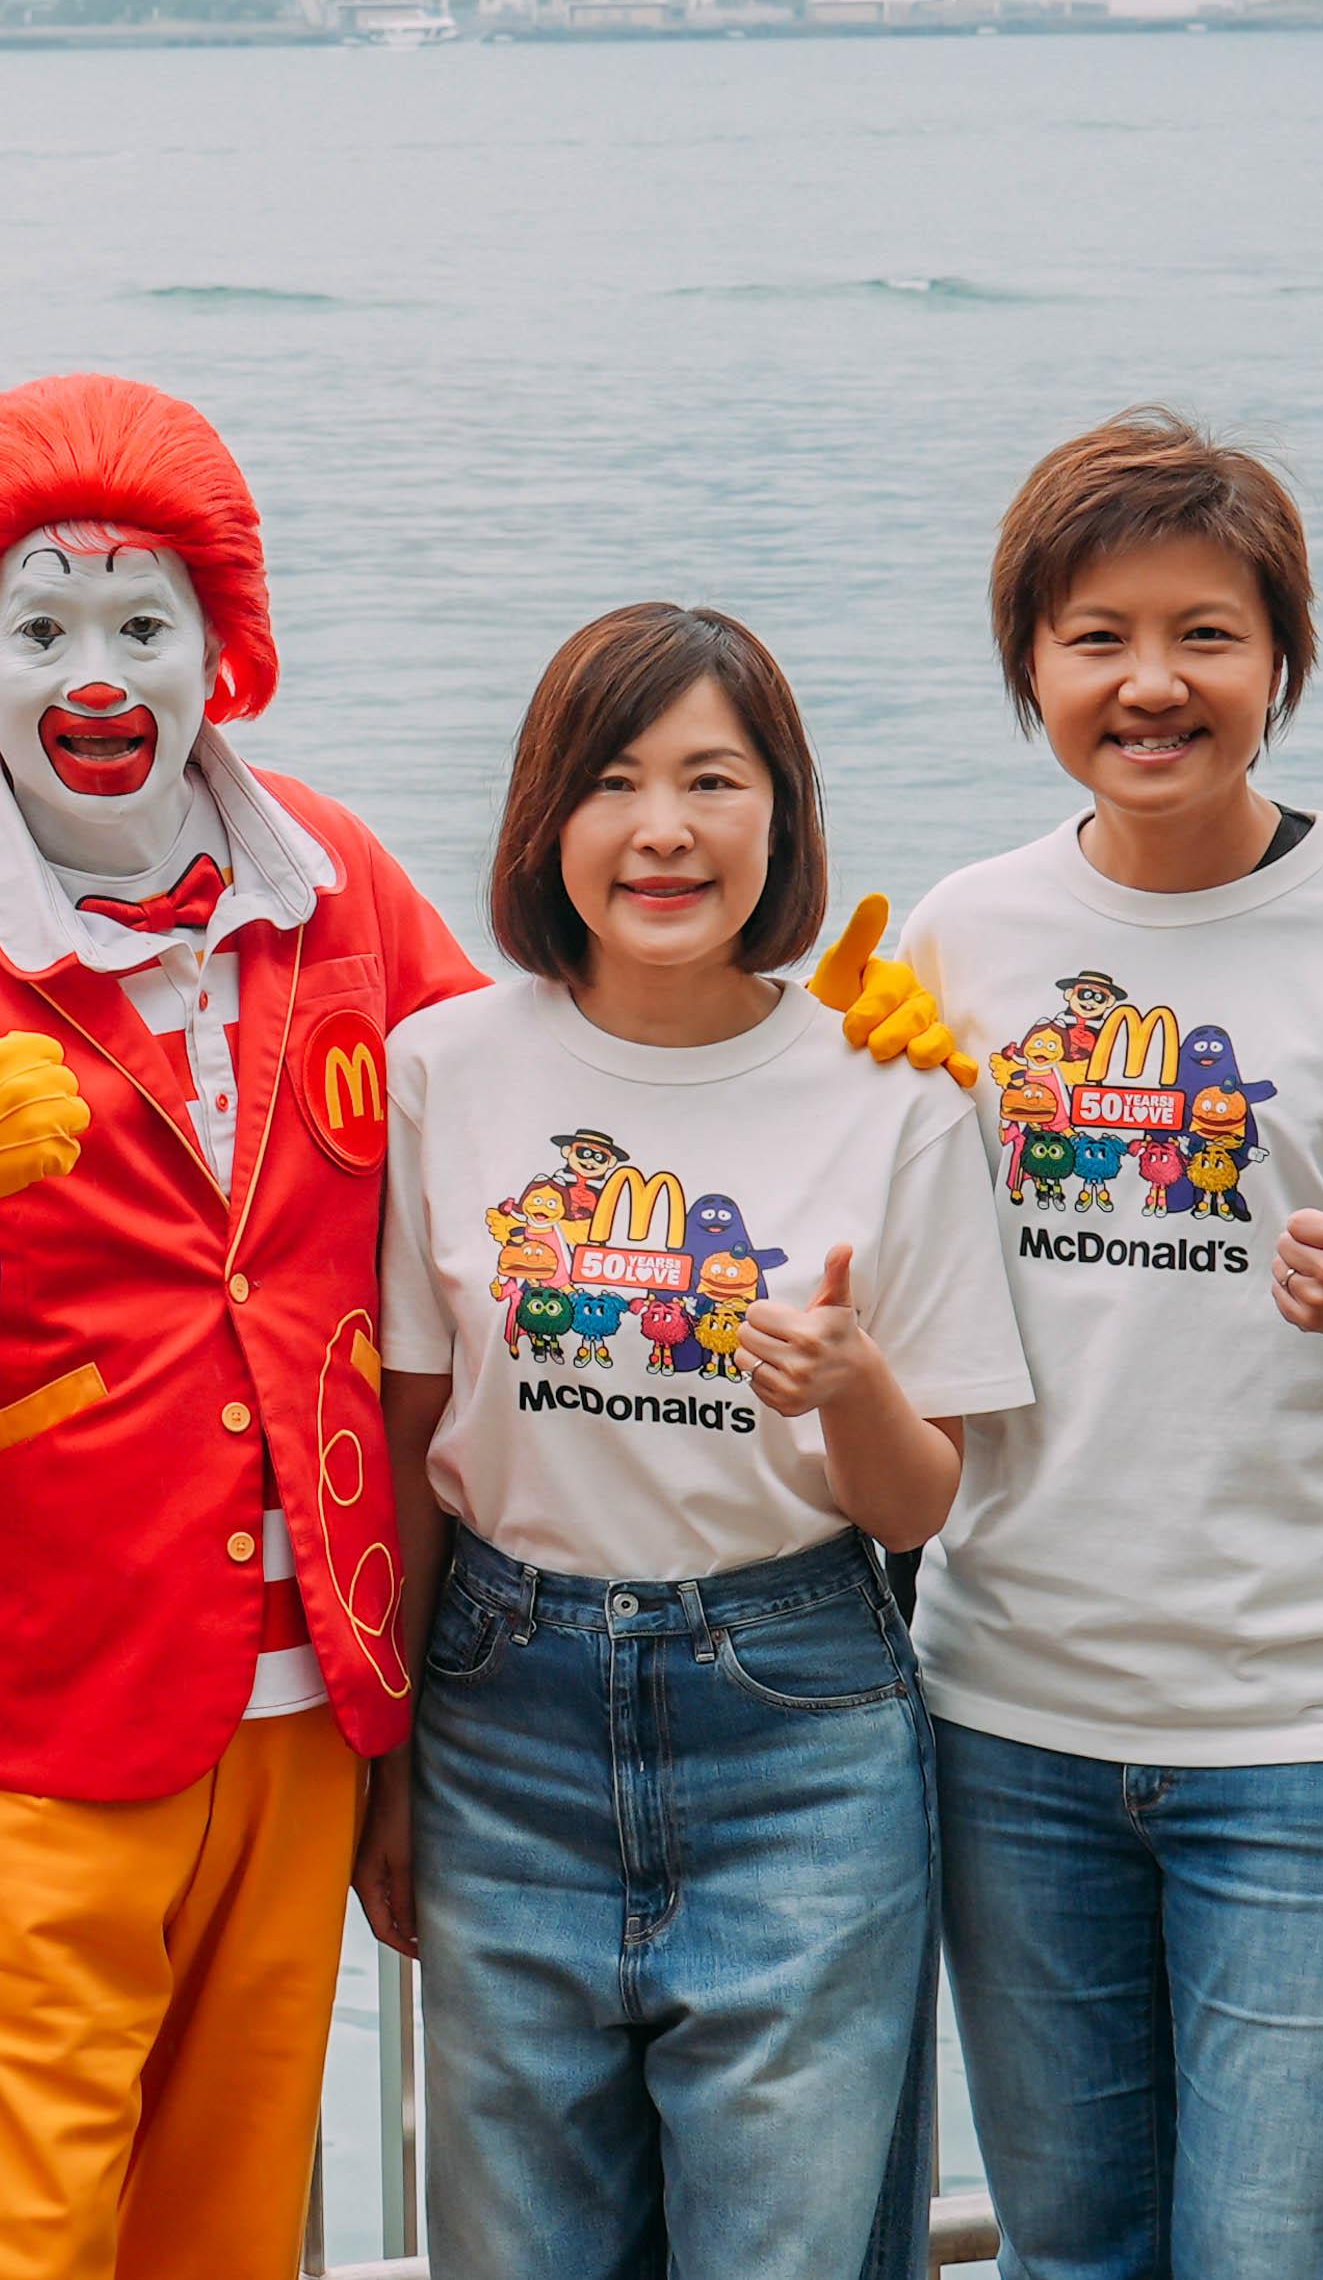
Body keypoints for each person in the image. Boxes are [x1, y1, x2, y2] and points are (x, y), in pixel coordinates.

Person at [0, 375, 487, 2280]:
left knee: (223, 2240)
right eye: (44, 626)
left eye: (143, 623)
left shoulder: (331, 887)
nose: (99, 671)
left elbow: (516, 1145)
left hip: (306, 1712)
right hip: (13, 1713)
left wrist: (786, 1068)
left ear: (216, 652)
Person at [896, 410, 1323, 2280]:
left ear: (1278, 658)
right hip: (1012, 1719)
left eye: (1204, 632)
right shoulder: (966, 935)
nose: (1148, 682)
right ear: (1028, 666)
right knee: (1074, 2252)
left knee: (1276, 2251)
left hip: (1322, 1739)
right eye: (1092, 635)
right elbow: (906, 1316)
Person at [377, 605, 1028, 2280]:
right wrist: (383, 1763)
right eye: (610, 782)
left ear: (780, 818)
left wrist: (851, 1383)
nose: (661, 830)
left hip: (795, 1719)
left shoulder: (892, 1092)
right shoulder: (444, 1067)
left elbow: (920, 1499)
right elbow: (411, 1423)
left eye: (709, 780)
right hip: (501, 1709)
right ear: (546, 820)